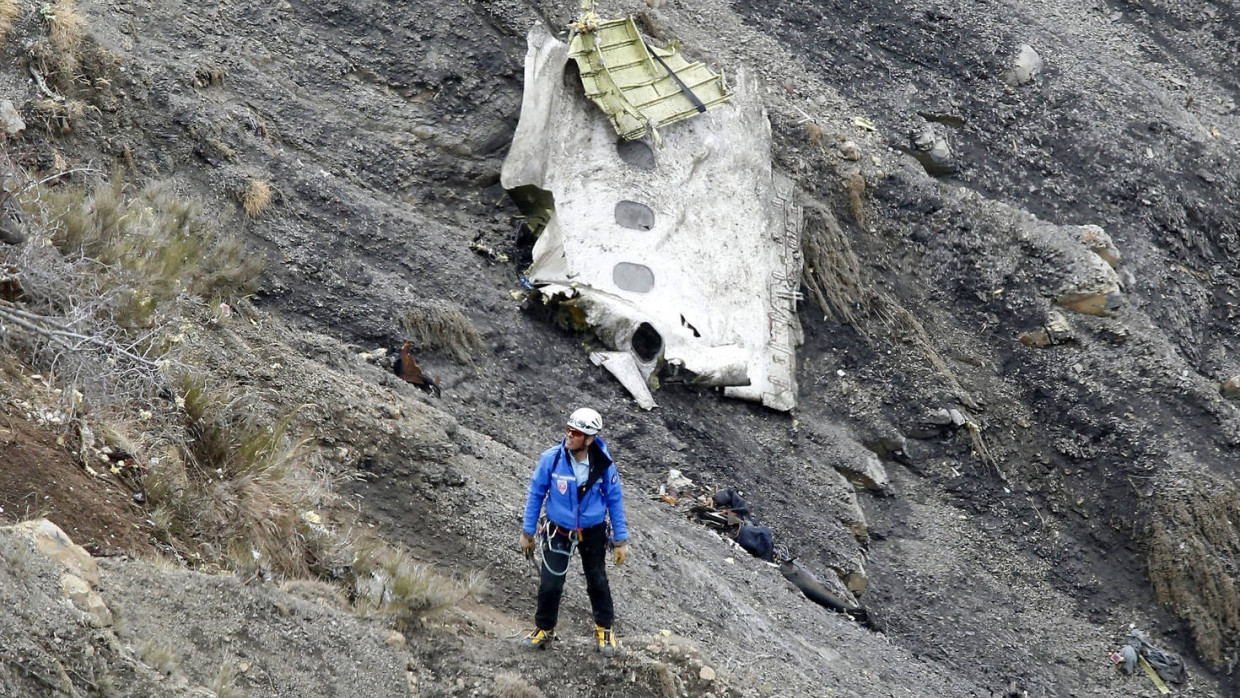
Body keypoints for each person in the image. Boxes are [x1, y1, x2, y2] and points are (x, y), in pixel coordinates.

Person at [519, 407, 629, 655]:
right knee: (550, 583)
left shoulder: (603, 464)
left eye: (575, 432)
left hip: (593, 530)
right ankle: (544, 629)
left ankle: (604, 629)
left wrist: (620, 540)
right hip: (559, 530)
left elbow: (615, 499)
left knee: (597, 580)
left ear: (589, 439)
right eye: (567, 429)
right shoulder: (552, 459)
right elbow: (536, 494)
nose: (568, 435)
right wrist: (527, 534)